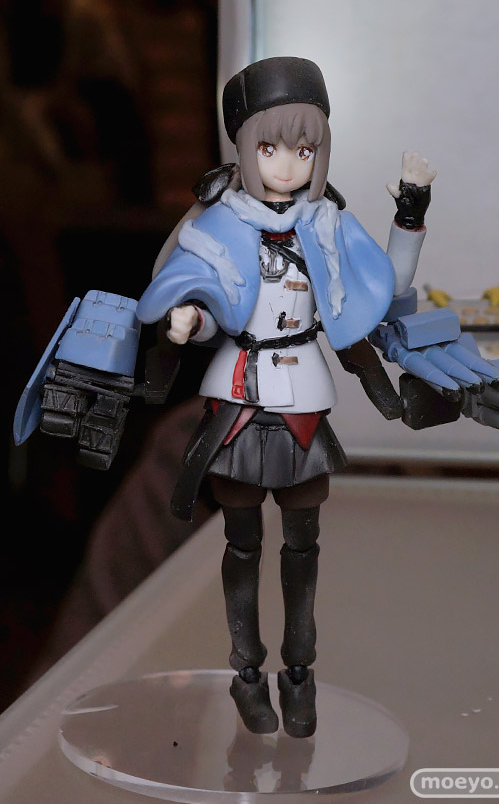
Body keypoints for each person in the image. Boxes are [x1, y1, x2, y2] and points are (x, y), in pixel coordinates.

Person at [136, 56, 436, 737]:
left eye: (304, 150)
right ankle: (248, 673)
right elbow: (205, 302)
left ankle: (299, 672)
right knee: (241, 547)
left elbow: (384, 285)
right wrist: (187, 321)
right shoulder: (216, 224)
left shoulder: (328, 225)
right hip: (239, 398)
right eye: (270, 148)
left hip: (301, 395)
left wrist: (410, 212)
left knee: (303, 549)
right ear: (244, 147)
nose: (287, 165)